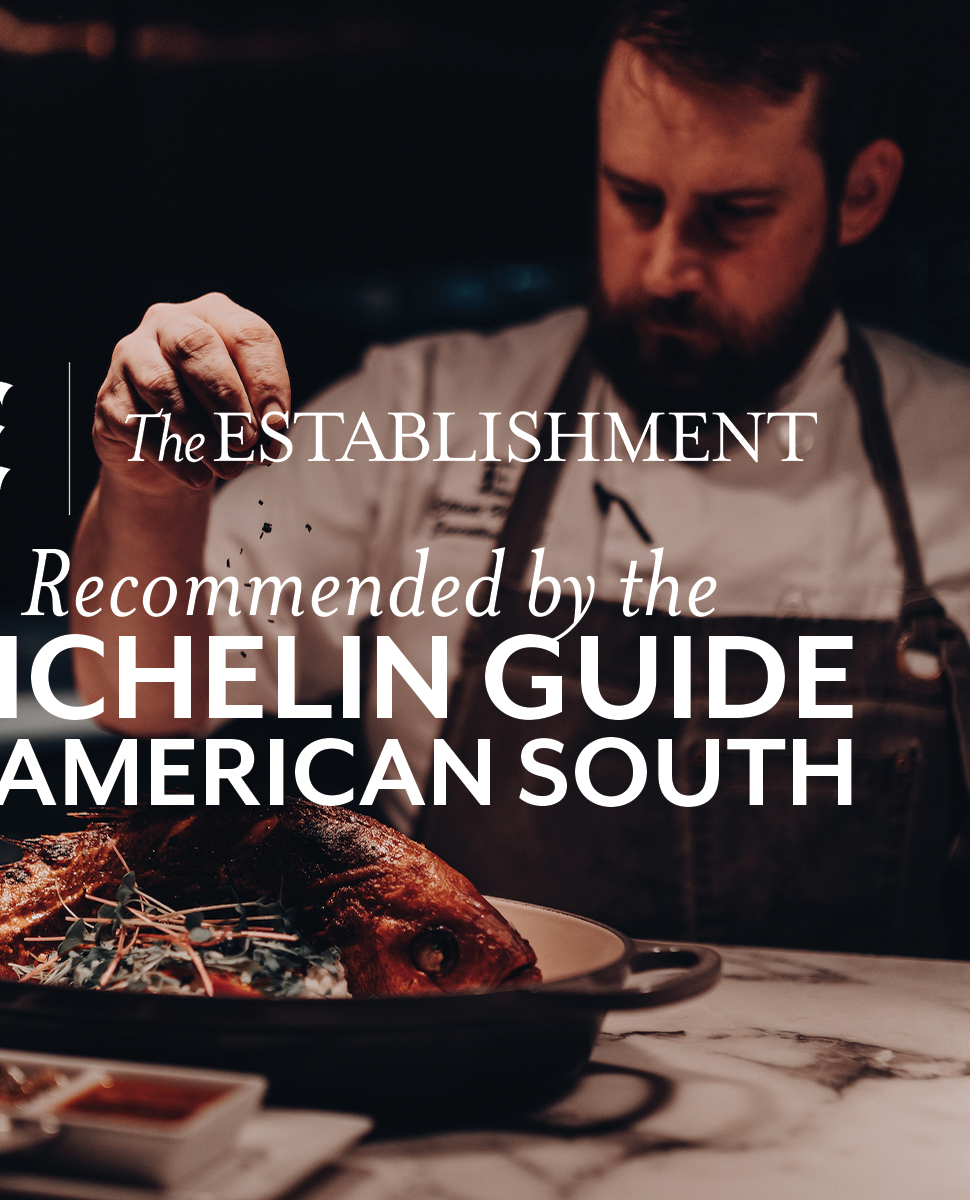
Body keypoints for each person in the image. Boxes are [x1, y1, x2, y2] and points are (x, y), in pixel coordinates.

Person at [70, 0, 970, 957]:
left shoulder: (951, 451)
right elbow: (140, 688)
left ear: (860, 194)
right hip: (475, 1069)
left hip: (866, 1093)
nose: (667, 265)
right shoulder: (425, 411)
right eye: (633, 197)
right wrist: (149, 491)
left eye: (733, 215)